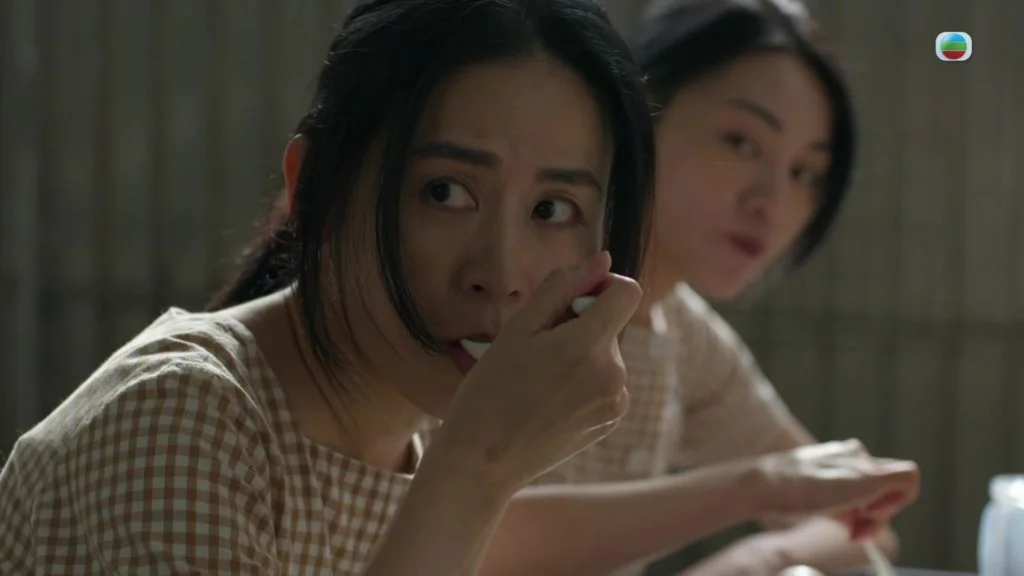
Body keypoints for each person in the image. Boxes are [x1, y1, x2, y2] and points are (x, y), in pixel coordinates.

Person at [0, 0, 657, 573]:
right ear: (314, 190)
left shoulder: (416, 436)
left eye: (551, 209)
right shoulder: (182, 416)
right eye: (444, 192)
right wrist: (477, 466)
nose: (502, 275)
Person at [426, 1, 922, 575]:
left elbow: (860, 519)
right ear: (640, 109)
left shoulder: (684, 334)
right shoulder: (510, 291)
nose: (771, 201)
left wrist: (754, 561)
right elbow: (445, 526)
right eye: (741, 142)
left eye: (804, 171)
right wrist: (753, 488)